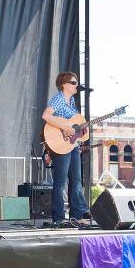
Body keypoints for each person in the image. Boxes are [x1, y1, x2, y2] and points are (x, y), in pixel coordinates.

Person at [41, 71, 91, 227]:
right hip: (60, 145)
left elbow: (73, 124)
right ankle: (58, 217)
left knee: (76, 181)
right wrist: (64, 127)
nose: (77, 85)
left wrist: (79, 131)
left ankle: (77, 216)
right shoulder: (59, 99)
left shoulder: (72, 101)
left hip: (72, 145)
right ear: (64, 85)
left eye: (77, 83)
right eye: (73, 83)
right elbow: (46, 116)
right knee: (60, 181)